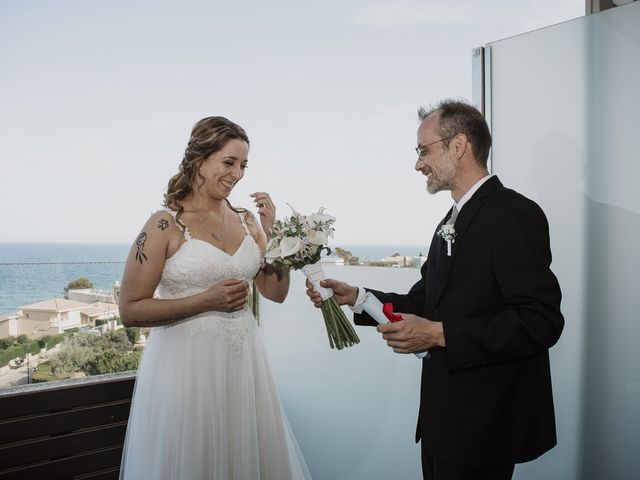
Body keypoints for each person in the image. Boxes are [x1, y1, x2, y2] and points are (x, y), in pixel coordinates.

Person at [307, 100, 564, 480]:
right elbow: (427, 300)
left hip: (485, 424)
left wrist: (440, 334)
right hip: (444, 422)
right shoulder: (450, 220)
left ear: (458, 146)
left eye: (423, 151)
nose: (417, 164)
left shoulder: (513, 214)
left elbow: (540, 321)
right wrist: (357, 297)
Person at [118, 116, 311, 480]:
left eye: (243, 165)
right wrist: (205, 301)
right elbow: (129, 310)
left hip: (244, 367)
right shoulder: (165, 225)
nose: (237, 174)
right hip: (186, 370)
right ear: (199, 160)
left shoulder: (247, 221)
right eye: (229, 162)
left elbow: (275, 293)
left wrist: (275, 238)